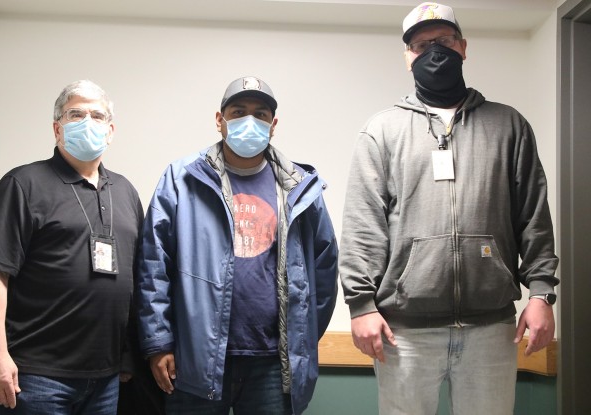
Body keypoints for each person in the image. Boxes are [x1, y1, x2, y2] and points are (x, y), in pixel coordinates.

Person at [338, 3, 559, 414]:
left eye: (443, 41)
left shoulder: (509, 126)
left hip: (491, 328)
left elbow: (534, 216)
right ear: (408, 58)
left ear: (463, 46)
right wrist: (361, 305)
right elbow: (363, 224)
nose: (433, 52)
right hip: (403, 329)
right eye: (421, 45)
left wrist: (542, 294)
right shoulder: (381, 131)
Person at [136, 76, 338, 415]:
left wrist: (301, 339)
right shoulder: (181, 178)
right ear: (220, 120)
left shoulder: (300, 188)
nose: (249, 121)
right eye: (238, 111)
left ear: (273, 125)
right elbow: (154, 265)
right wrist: (158, 343)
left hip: (273, 364)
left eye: (260, 114)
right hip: (196, 360)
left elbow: (324, 269)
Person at [0, 80, 144, 414]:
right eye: (75, 114)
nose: (87, 122)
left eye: (97, 116)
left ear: (110, 131)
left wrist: (128, 355)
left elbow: (136, 281)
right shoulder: (22, 184)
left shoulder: (126, 192)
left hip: (106, 378)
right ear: (57, 128)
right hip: (35, 377)